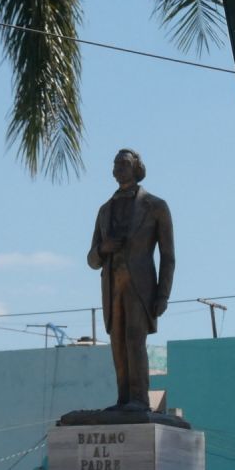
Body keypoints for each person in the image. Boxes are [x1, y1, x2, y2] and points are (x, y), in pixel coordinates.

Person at [86, 148, 174, 410]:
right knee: (118, 344)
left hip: (141, 286)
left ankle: (139, 399)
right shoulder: (104, 210)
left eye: (124, 163)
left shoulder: (156, 206)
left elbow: (168, 255)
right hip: (112, 286)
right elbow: (92, 259)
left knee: (135, 340)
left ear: (136, 168)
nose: (119, 168)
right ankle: (123, 399)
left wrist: (163, 294)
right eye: (116, 164)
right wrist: (104, 248)